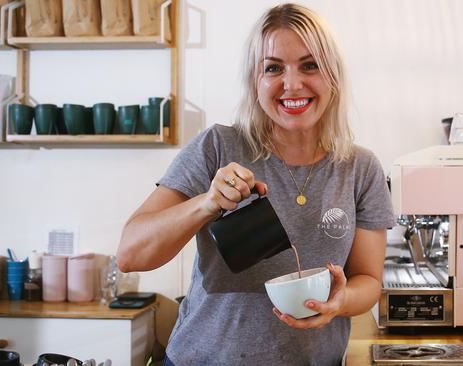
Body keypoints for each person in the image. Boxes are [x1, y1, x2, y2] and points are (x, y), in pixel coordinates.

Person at [116, 3, 394, 365]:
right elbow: (130, 255)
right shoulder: (217, 147)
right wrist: (207, 203)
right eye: (273, 68)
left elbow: (369, 279)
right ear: (255, 81)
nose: (292, 84)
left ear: (333, 77)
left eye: (310, 65)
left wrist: (340, 302)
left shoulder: (360, 168)